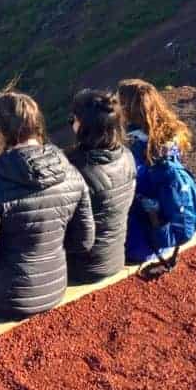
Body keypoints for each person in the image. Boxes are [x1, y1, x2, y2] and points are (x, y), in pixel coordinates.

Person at [0, 89, 94, 319]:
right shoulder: (70, 171)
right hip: (54, 289)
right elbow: (84, 241)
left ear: (1, 130)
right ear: (37, 124)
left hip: (7, 297)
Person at [117, 79, 196, 265]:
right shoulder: (169, 140)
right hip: (162, 234)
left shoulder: (138, 150)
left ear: (127, 111)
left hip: (143, 244)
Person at [65, 89, 136, 282]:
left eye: (74, 119)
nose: (71, 122)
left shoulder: (74, 171)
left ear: (84, 126)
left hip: (80, 267)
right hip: (115, 258)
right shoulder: (127, 157)